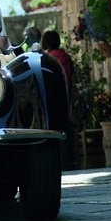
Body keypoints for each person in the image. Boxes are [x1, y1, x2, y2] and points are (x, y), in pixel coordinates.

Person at [40, 29, 77, 171]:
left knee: (52, 131)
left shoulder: (46, 59)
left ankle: (55, 162)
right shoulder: (66, 57)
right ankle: (69, 161)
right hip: (65, 99)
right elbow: (73, 79)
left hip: (50, 101)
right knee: (66, 130)